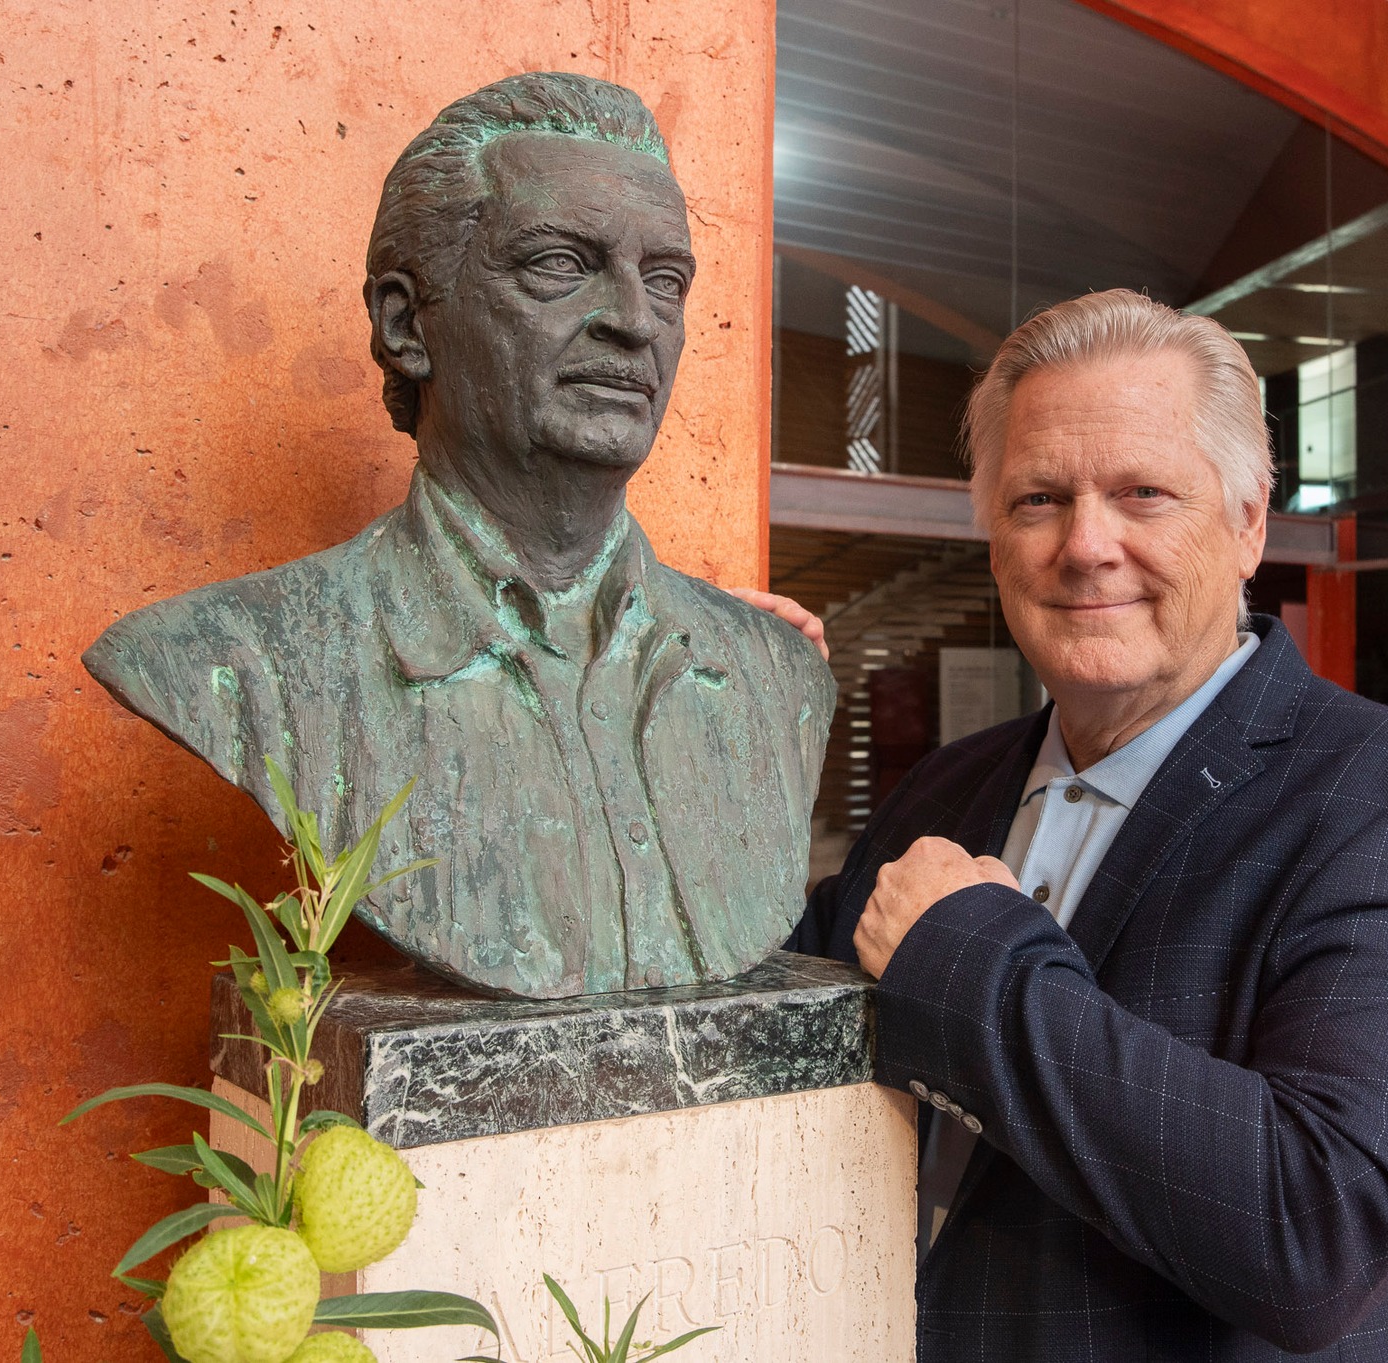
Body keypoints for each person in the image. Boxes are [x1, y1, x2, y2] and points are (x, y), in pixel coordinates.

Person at [791, 288, 1388, 1360]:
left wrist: (970, 963)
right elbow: (772, 1008)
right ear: (992, 534)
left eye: (1142, 493)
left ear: (1246, 521)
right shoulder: (942, 791)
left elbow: (1319, 1227)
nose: (1085, 545)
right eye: (1037, 498)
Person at [84, 73, 834, 1000]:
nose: (636, 321)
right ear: (407, 324)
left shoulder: (778, 677)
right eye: (560, 264)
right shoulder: (237, 664)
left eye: (666, 280)